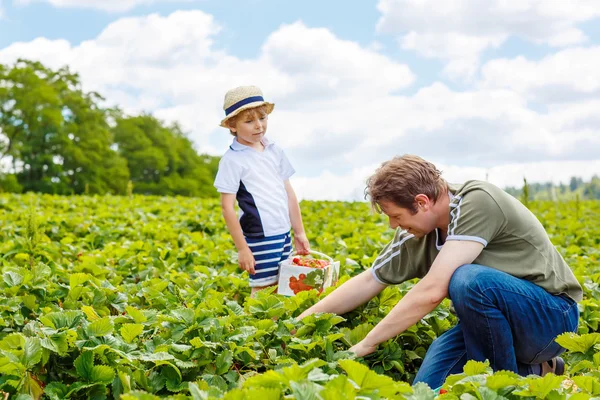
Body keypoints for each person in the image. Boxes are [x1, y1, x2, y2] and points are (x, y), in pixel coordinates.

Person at [298, 154, 581, 389]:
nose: (392, 225)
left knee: (468, 279)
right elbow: (371, 279)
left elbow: (433, 291)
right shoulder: (416, 235)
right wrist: (299, 323)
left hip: (552, 319)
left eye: (396, 216)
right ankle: (537, 371)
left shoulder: (477, 201)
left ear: (422, 202)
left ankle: (504, 386)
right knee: (426, 388)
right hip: (487, 328)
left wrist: (366, 344)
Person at [214, 85, 310, 296]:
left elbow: (289, 193)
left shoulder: (274, 150)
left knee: (286, 285)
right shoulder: (232, 160)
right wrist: (242, 249)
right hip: (259, 235)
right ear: (232, 125)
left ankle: (282, 328)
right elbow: (227, 208)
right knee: (263, 288)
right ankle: (258, 326)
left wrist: (299, 232)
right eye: (249, 121)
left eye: (262, 118)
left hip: (283, 231)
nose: (258, 126)